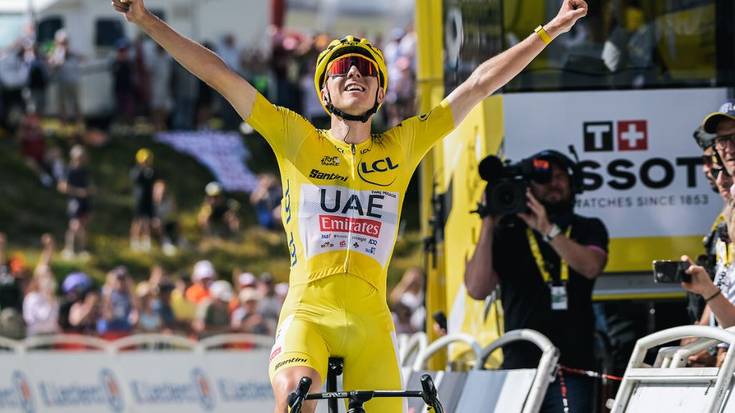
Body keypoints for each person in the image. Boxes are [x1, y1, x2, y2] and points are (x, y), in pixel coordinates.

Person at [111, 1, 588, 411]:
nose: (354, 73)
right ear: (324, 92)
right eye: (341, 69)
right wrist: (147, 20)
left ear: (380, 92)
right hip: (309, 314)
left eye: (365, 68)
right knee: (298, 394)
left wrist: (549, 30)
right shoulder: (295, 137)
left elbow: (479, 84)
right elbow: (219, 75)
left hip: (371, 324)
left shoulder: (402, 145)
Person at [464, 151, 609, 412]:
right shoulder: (509, 233)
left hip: (572, 368)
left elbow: (591, 267)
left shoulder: (588, 227)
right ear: (529, 188)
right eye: (544, 179)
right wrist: (488, 221)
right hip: (519, 369)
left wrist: (548, 230)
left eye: (560, 177)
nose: (553, 184)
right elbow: (476, 288)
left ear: (573, 183)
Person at [58, 145, 94, 258]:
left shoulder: (84, 170)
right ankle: (68, 250)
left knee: (83, 226)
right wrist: (79, 192)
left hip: (85, 201)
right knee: (74, 225)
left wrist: (89, 190)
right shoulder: (68, 169)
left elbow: (88, 186)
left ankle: (81, 250)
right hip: (74, 201)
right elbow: (62, 186)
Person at [129, 148, 158, 251]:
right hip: (139, 199)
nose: (146, 162)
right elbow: (135, 179)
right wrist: (142, 169)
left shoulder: (151, 171)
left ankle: (146, 241)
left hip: (149, 199)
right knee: (138, 220)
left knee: (147, 221)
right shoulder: (137, 170)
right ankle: (134, 241)